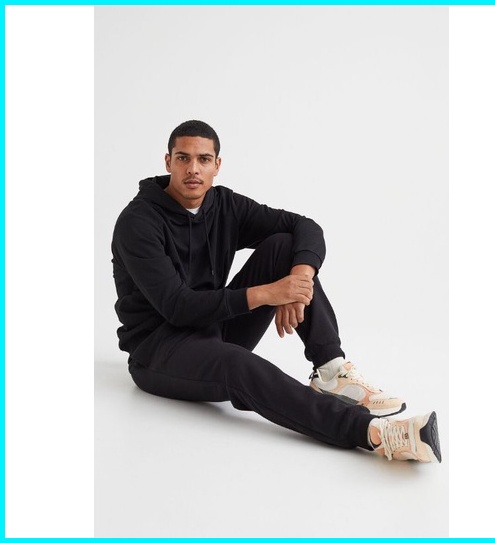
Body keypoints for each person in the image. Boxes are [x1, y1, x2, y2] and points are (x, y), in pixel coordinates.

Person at [111, 119, 442, 463]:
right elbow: (178, 307)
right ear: (168, 162)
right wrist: (270, 293)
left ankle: (330, 371)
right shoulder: (138, 223)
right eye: (183, 158)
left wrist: (297, 282)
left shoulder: (223, 205)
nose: (193, 169)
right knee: (240, 365)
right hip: (160, 351)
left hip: (214, 329)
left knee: (284, 246)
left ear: (217, 165)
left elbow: (305, 227)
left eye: (203, 159)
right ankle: (376, 433)